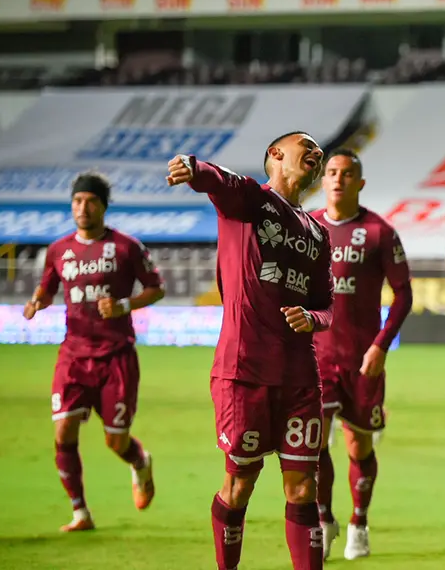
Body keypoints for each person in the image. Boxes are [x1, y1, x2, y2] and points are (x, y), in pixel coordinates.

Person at [165, 131, 333, 570]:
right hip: (244, 372)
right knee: (240, 486)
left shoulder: (318, 232)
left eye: (319, 153)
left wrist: (312, 319)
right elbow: (218, 180)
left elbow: (326, 305)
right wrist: (192, 165)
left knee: (303, 490)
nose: (316, 155)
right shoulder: (251, 203)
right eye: (307, 148)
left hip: (300, 377)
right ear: (276, 155)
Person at [23, 171, 165, 532]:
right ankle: (80, 513)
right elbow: (48, 288)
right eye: (77, 201)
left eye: (90, 201)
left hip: (116, 357)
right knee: (64, 431)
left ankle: (140, 462)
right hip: (73, 355)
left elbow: (156, 288)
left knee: (115, 441)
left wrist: (123, 305)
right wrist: (38, 301)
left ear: (103, 206)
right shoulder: (58, 250)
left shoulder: (126, 247)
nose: (83, 207)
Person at [310, 149, 413, 560]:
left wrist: (380, 346)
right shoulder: (307, 227)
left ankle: (358, 522)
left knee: (359, 448)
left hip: (362, 359)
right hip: (315, 358)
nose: (338, 179)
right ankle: (323, 519)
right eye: (332, 172)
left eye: (347, 173)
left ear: (360, 183)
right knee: (312, 444)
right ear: (323, 180)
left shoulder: (378, 232)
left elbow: (404, 294)